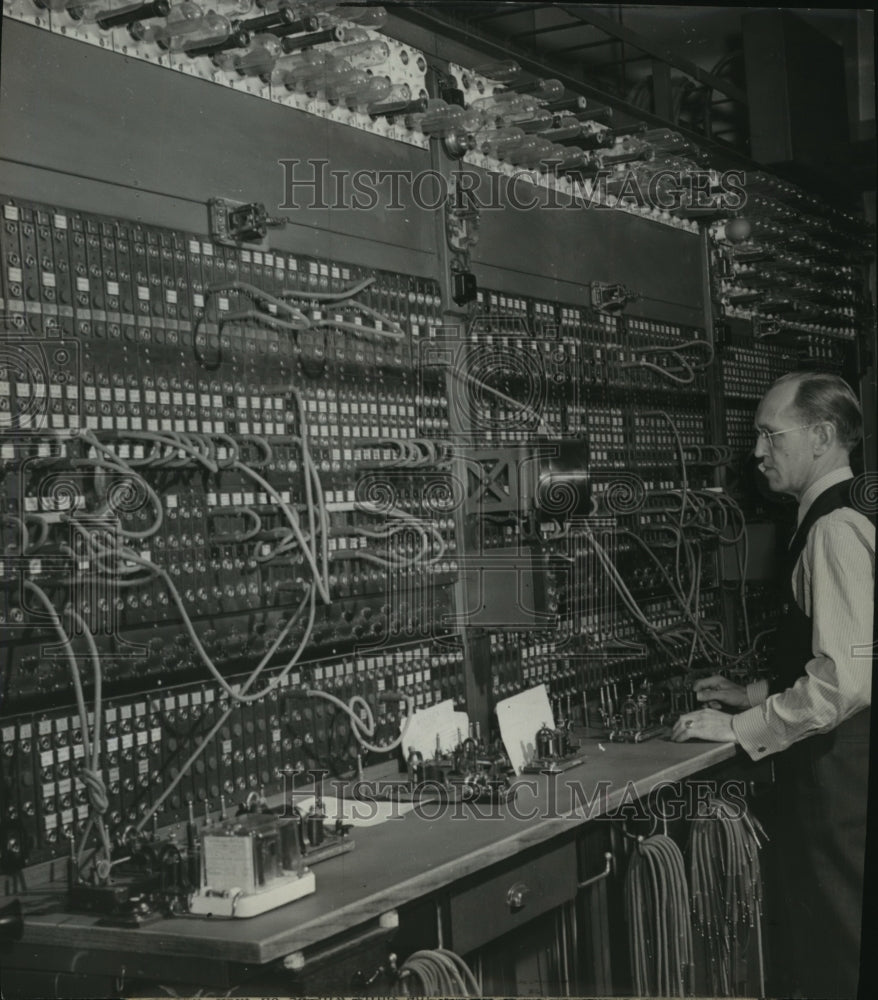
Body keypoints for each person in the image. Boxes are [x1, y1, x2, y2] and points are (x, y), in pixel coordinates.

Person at [671, 371, 874, 1000]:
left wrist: (739, 728)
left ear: (820, 436)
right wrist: (758, 692)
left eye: (768, 435)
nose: (757, 453)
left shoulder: (833, 530)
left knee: (838, 954)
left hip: (840, 782)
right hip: (847, 774)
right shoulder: (849, 512)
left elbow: (844, 679)